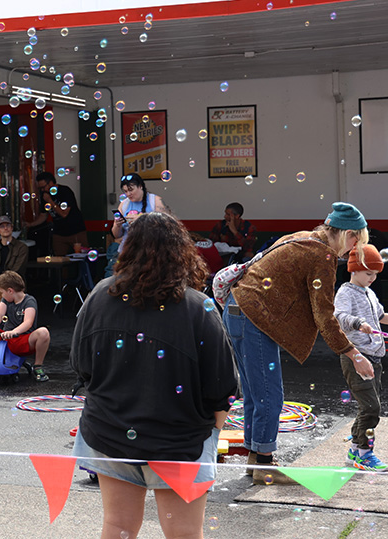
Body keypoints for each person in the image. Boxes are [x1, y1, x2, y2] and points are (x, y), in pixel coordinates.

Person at [70, 212, 238, 539]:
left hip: (110, 433)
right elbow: (223, 387)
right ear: (182, 252)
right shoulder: (198, 308)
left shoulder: (99, 297)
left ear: (127, 250)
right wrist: (212, 433)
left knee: (118, 527)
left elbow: (81, 367)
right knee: (184, 533)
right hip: (180, 441)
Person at [222, 202, 374, 485]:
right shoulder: (323, 256)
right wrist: (354, 353)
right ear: (346, 234)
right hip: (254, 316)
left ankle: (256, 460)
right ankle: (265, 464)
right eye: (356, 240)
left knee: (257, 393)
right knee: (270, 394)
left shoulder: (302, 236)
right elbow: (324, 314)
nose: (354, 248)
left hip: (237, 309)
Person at [333, 244, 388, 472]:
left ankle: (354, 448)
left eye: (375, 274)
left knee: (368, 407)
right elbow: (339, 316)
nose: (372, 278)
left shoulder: (369, 292)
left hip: (375, 358)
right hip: (357, 358)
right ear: (354, 269)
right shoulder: (345, 292)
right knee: (371, 407)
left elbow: (381, 316)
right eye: (368, 273)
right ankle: (364, 454)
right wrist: (358, 323)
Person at [0, 271, 50, 381]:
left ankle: (38, 366)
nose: (2, 295)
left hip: (23, 340)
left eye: (2, 292)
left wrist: (13, 332)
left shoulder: (29, 301)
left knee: (43, 332)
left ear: (10, 291)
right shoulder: (6, 300)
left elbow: (28, 322)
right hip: (5, 339)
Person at [33, 171, 86, 256]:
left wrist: (50, 201)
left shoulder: (65, 191)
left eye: (43, 187)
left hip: (75, 230)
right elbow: (44, 215)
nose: (42, 190)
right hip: (59, 233)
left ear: (50, 183)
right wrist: (30, 224)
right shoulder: (45, 196)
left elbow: (64, 214)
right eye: (40, 189)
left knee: (81, 258)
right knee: (59, 260)